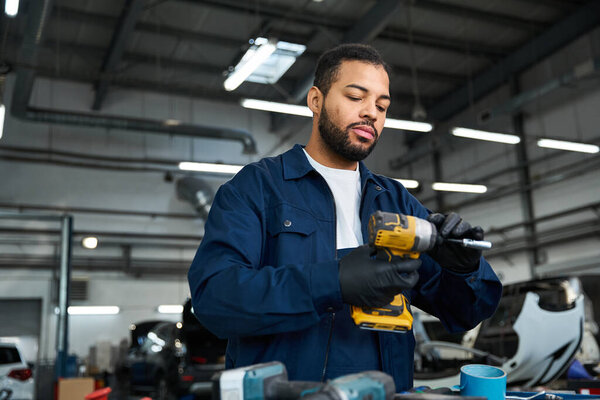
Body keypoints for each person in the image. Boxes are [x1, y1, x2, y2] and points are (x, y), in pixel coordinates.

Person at [187, 43, 502, 391]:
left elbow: (467, 313)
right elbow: (214, 298)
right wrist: (332, 282)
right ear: (316, 101)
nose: (372, 113)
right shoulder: (258, 188)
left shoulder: (397, 202)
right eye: (356, 97)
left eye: (382, 106)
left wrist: (464, 270)